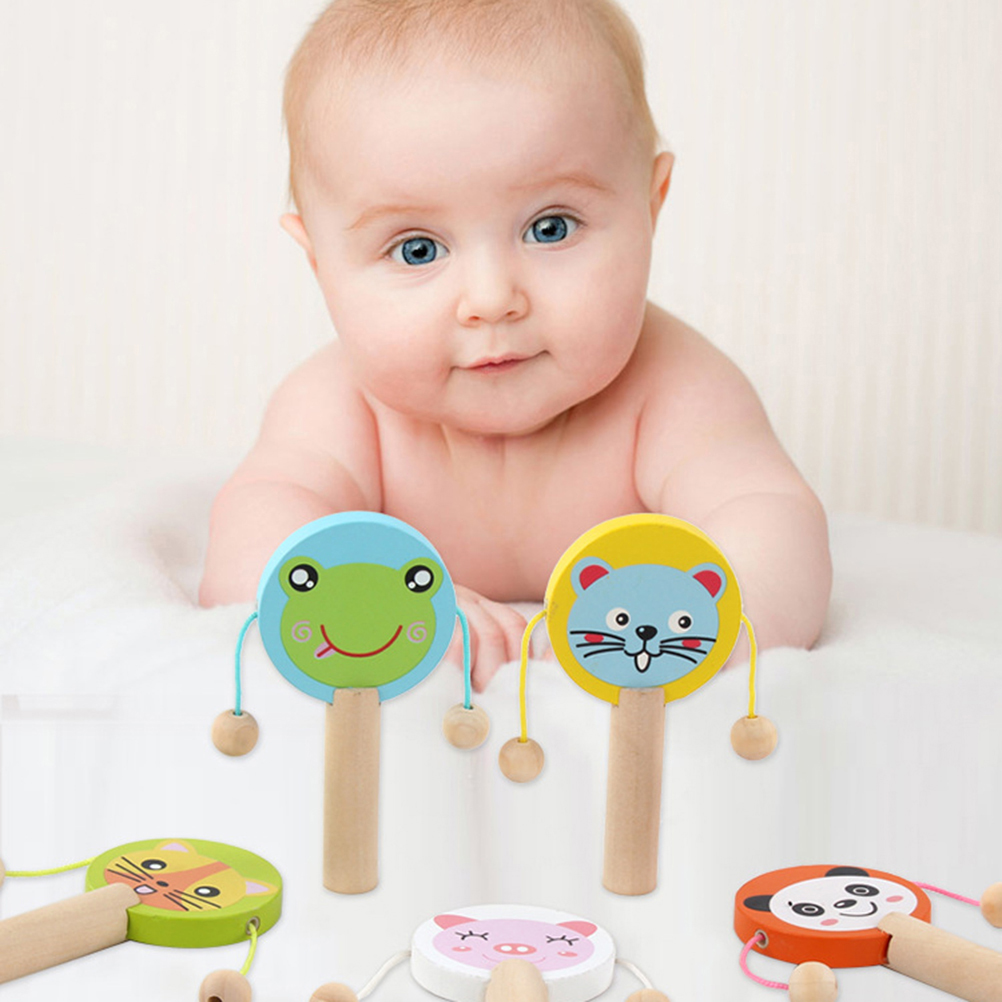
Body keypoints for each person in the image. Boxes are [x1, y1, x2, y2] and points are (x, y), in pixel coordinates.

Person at [199, 0, 831, 689]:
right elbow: (251, 549)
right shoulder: (340, 406)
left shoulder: (674, 387)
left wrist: (702, 623)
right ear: (319, 261)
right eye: (416, 248)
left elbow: (772, 523)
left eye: (550, 227)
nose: (492, 298)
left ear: (651, 205)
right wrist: (380, 606)